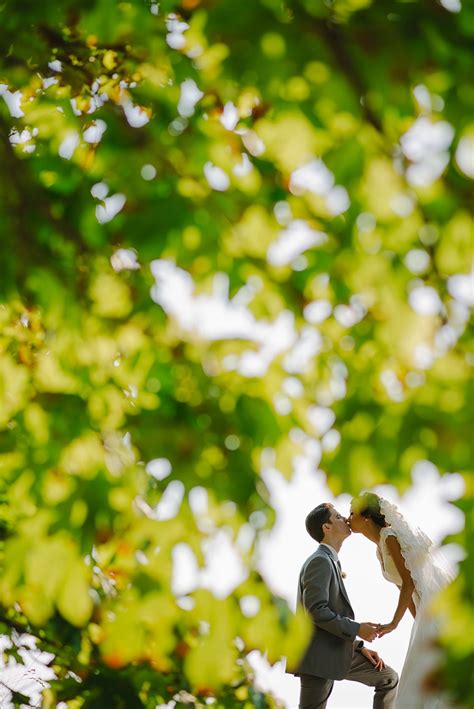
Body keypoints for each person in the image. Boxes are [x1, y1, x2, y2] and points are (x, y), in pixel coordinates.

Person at [349, 492, 454, 708]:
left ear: (366, 517)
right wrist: (420, 622)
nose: (347, 518)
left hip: (435, 609)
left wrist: (393, 623)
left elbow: (409, 584)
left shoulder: (389, 536)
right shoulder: (379, 549)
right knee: (424, 668)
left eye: (352, 513)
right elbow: (405, 590)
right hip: (426, 614)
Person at [290, 502, 398, 708]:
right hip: (318, 656)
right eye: (339, 517)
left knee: (388, 678)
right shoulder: (320, 561)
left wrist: (358, 646)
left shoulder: (329, 559)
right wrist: (358, 628)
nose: (346, 519)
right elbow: (316, 611)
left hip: (335, 649)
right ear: (326, 527)